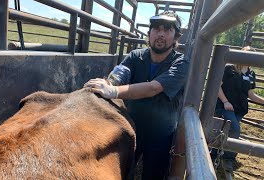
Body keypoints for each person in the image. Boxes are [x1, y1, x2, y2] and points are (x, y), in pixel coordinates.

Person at [84, 11, 189, 179]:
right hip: (130, 128)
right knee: (124, 171)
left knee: (154, 175)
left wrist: (114, 91)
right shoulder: (136, 56)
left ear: (176, 36)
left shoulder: (180, 63)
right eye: (156, 28)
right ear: (149, 33)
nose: (161, 33)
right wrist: (109, 83)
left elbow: (154, 88)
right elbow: (120, 74)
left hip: (161, 135)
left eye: (168, 29)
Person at [213, 46, 264, 172]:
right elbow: (217, 86)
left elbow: (250, 94)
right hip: (225, 106)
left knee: (224, 131)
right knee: (234, 129)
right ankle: (228, 159)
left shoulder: (251, 73)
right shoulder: (229, 68)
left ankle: (214, 154)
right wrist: (225, 101)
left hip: (239, 109)